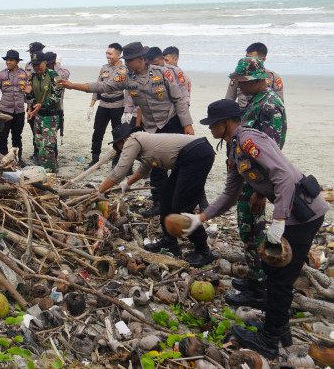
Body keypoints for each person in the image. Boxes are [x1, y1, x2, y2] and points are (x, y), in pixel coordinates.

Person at [181, 99, 327, 359]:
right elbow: (229, 194)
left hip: (303, 214)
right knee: (273, 271)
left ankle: (270, 340)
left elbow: (282, 174)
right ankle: (278, 329)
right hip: (293, 214)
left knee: (280, 278)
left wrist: (279, 221)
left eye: (213, 124)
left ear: (225, 122)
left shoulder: (249, 140)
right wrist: (200, 218)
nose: (210, 129)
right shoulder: (236, 148)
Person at [59, 41, 194, 217]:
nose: (127, 63)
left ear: (140, 59)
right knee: (156, 169)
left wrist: (187, 124)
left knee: (182, 164)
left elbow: (178, 99)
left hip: (172, 121)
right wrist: (72, 85)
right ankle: (159, 204)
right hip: (152, 127)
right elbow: (104, 86)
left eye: (129, 60)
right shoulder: (128, 77)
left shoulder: (163, 72)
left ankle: (189, 202)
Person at [96, 123, 215, 266]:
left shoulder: (132, 140)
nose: (120, 150)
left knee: (182, 206)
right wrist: (128, 184)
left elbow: (119, 172)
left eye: (118, 146)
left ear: (122, 141)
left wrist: (99, 191)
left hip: (196, 153)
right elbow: (144, 170)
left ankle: (203, 250)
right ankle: (170, 242)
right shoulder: (143, 141)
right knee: (166, 197)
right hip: (189, 156)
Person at [223, 57, 287, 310]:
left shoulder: (269, 106)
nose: (238, 86)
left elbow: (272, 153)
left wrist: (261, 192)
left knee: (253, 232)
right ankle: (253, 279)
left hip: (258, 183)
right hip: (249, 177)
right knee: (247, 231)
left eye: (242, 82)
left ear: (256, 80)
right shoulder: (256, 101)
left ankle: (258, 290)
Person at [87, 43, 126, 168]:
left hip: (118, 106)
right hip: (103, 105)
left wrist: (128, 110)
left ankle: (116, 160)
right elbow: (97, 86)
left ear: (118, 55)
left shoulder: (125, 70)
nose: (107, 56)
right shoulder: (104, 68)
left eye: (110, 54)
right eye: (106, 53)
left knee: (118, 134)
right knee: (97, 132)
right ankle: (95, 159)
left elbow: (130, 91)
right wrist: (91, 105)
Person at [23, 51, 62, 172]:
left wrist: (42, 104)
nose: (36, 67)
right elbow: (30, 97)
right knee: (39, 145)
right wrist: (28, 94)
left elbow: (57, 96)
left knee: (48, 146)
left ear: (45, 63)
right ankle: (47, 169)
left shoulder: (53, 76)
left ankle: (51, 172)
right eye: (34, 65)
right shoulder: (33, 76)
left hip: (51, 117)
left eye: (38, 64)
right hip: (38, 116)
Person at [0, 50, 28, 157]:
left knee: (17, 136)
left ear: (17, 61)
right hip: (4, 111)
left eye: (11, 60)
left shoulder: (25, 74)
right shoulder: (0, 75)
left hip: (19, 111)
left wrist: (29, 107)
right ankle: (2, 158)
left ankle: (17, 159)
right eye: (7, 60)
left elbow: (29, 94)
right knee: (2, 136)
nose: (8, 62)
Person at [226, 42, 284, 108]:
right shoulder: (239, 75)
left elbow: (279, 103)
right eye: (246, 57)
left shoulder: (273, 77)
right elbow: (229, 99)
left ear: (263, 59)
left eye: (252, 58)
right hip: (242, 114)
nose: (247, 60)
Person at [24, 42, 45, 163]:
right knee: (34, 130)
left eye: (34, 52)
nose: (32, 55)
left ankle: (45, 154)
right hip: (32, 102)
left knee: (46, 133)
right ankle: (36, 153)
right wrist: (29, 107)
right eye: (31, 53)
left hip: (45, 104)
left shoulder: (46, 64)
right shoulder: (28, 65)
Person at [45, 52, 69, 147]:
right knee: (50, 136)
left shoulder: (58, 73)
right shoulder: (61, 71)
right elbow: (66, 73)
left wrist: (56, 65)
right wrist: (58, 65)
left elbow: (65, 75)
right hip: (50, 107)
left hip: (56, 107)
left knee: (51, 135)